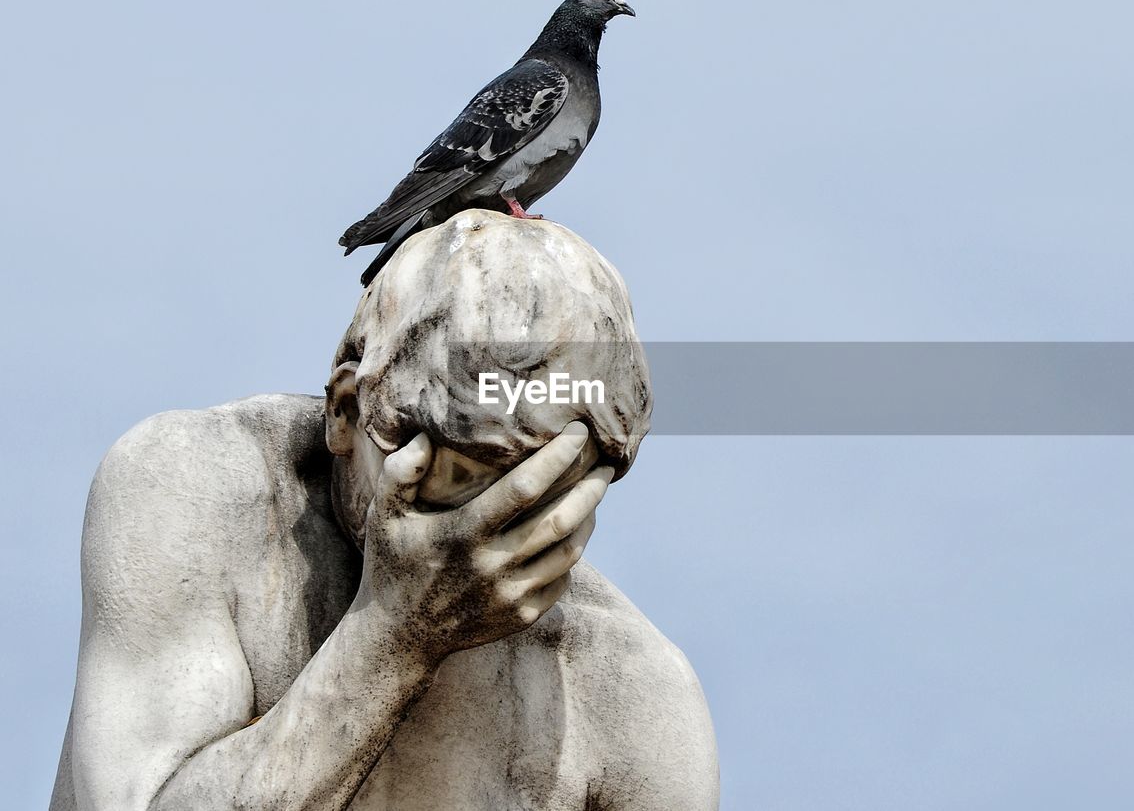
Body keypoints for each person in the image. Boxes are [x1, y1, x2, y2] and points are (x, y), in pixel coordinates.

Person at [50, 210, 718, 810]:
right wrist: (396, 635)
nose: (487, 531)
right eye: (463, 479)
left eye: (545, 491)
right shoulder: (196, 489)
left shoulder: (634, 698)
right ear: (346, 410)